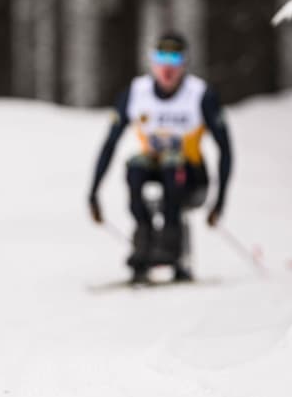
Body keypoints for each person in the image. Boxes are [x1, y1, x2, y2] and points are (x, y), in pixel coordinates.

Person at [87, 32, 232, 282]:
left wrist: (219, 202)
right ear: (152, 62)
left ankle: (172, 250)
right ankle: (143, 246)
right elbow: (110, 143)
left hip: (191, 177)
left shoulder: (200, 94)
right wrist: (93, 191)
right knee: (135, 166)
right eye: (160, 58)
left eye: (174, 60)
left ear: (184, 64)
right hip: (152, 170)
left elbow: (226, 148)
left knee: (171, 164)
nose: (167, 67)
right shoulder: (137, 92)